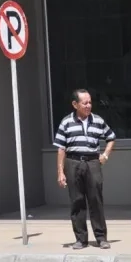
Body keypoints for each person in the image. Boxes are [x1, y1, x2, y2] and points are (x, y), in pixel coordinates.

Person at [54, 89, 116, 250]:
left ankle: (101, 238)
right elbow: (61, 148)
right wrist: (60, 172)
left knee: (96, 200)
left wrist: (105, 155)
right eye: (84, 103)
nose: (88, 105)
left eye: (90, 102)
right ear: (75, 104)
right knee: (77, 201)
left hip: (93, 162)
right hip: (73, 163)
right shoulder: (66, 122)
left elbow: (111, 138)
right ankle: (81, 239)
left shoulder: (98, 120)